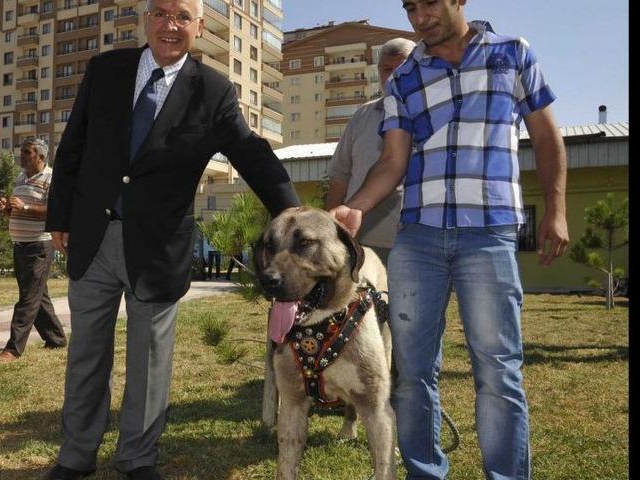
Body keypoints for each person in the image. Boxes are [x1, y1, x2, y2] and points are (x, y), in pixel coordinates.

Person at [42, 0, 300, 477]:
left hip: (158, 248)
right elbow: (72, 143)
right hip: (93, 238)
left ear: (199, 26)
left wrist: (293, 210)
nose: (170, 25)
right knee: (85, 356)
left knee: (150, 362)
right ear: (146, 20)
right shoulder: (105, 70)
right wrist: (59, 215)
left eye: (182, 16)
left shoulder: (215, 91)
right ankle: (76, 457)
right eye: (160, 13)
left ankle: (137, 459)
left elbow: (250, 151)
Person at [331, 1, 569, 478]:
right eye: (410, 8)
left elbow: (545, 136)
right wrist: (352, 208)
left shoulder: (512, 54)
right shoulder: (404, 77)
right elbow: (391, 163)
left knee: (498, 371)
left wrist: (557, 209)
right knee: (413, 374)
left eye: (429, 4)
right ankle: (424, 472)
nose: (420, 17)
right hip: (418, 240)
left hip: (490, 233)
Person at [324, 37, 415, 265]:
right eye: (387, 69)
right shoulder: (361, 116)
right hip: (359, 241)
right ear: (378, 71)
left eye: (402, 68)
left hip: (413, 242)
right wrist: (331, 234)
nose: (394, 76)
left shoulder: (434, 115)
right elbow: (339, 178)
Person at [0, 138, 67, 362]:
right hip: (20, 243)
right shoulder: (20, 178)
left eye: (27, 152)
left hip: (39, 244)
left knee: (28, 297)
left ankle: (13, 349)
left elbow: (55, 210)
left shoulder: (51, 178)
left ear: (40, 156)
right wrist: (6, 208)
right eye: (22, 152)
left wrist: (23, 206)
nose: (22, 156)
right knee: (37, 295)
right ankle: (56, 338)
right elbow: (16, 212)